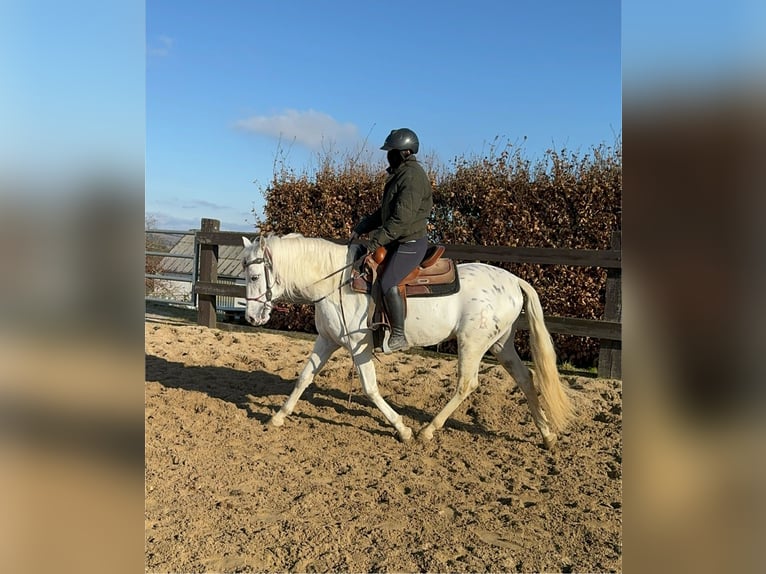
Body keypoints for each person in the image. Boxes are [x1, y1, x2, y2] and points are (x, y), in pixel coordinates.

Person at [351, 128, 434, 352]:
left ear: (405, 152)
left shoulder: (413, 177)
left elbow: (400, 220)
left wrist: (375, 241)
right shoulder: (400, 174)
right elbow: (385, 212)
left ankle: (399, 335)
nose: (388, 156)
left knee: (388, 281)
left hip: (410, 242)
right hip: (398, 239)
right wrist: (363, 226)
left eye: (392, 152)